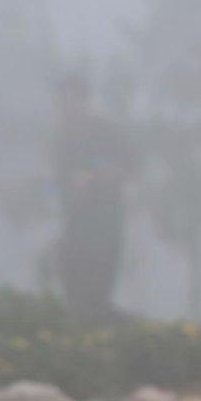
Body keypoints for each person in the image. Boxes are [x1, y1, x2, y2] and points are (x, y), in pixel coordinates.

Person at [51, 71, 130, 319]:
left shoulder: (105, 132)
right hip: (74, 225)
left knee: (98, 291)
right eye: (60, 100)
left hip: (104, 223)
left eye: (69, 99)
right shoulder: (60, 139)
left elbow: (123, 165)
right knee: (74, 290)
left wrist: (93, 177)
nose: (64, 106)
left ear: (83, 100)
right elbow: (54, 181)